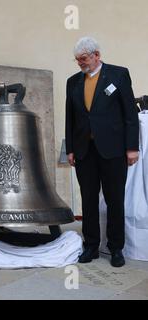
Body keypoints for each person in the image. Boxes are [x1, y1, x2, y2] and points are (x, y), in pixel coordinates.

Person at [65, 36, 139, 267]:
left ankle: (116, 248)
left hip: (114, 150)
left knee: (114, 199)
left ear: (96, 55)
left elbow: (129, 113)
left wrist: (132, 147)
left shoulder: (118, 74)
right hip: (84, 150)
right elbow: (71, 117)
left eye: (84, 58)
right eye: (77, 60)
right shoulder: (73, 81)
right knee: (88, 200)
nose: (80, 64)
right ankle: (91, 246)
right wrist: (70, 149)